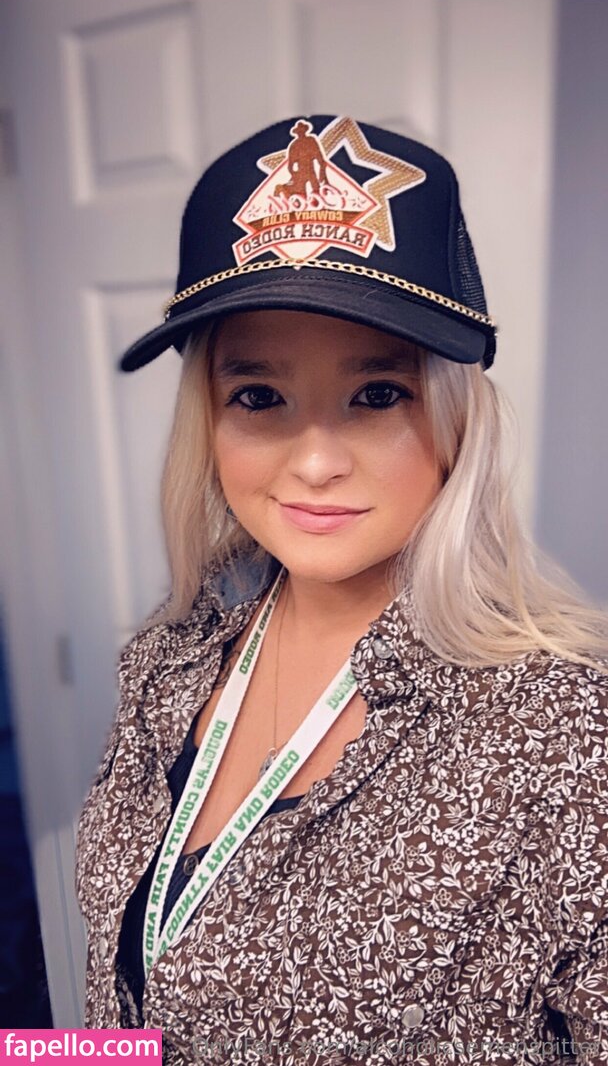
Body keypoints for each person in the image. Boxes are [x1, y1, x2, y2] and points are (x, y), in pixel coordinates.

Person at [75, 115, 608, 1065]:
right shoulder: (168, 656)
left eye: (377, 395)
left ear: (455, 419)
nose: (315, 462)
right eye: (259, 397)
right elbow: (123, 996)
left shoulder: (565, 733)